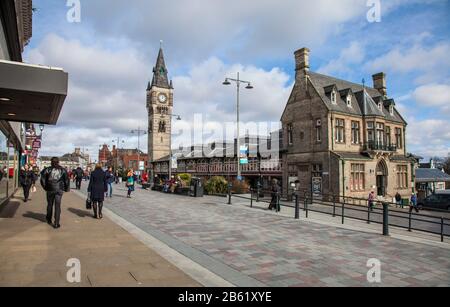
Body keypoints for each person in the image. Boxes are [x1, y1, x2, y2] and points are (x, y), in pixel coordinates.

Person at [40, 157, 70, 229]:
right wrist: (66, 189)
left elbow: (42, 180)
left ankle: (49, 219)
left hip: (50, 189)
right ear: (58, 162)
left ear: (51, 162)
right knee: (58, 206)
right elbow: (66, 180)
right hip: (59, 189)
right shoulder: (63, 170)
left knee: (50, 204)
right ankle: (56, 223)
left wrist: (45, 188)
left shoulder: (47, 169)